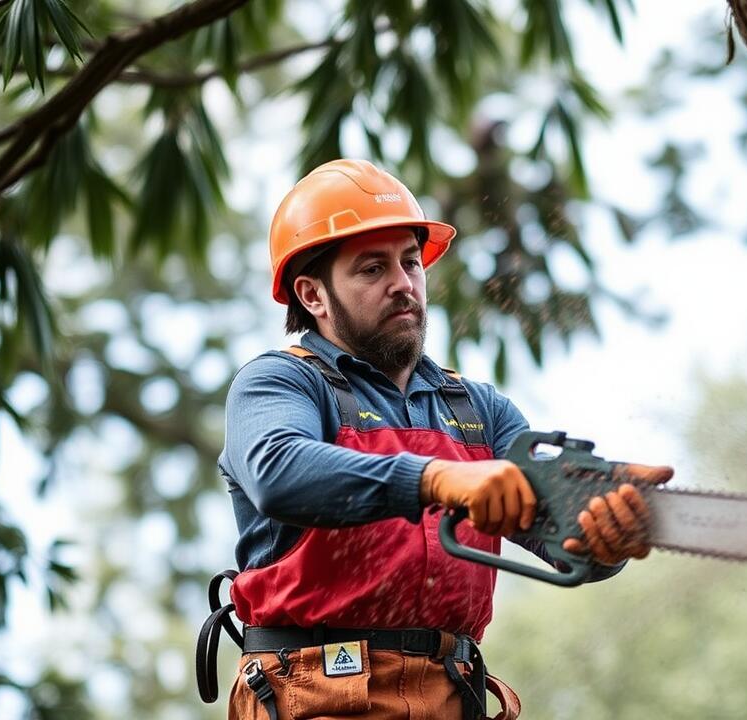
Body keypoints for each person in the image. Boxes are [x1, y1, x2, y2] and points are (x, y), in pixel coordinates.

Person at [197, 159, 673, 720]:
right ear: (314, 295)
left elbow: (555, 528)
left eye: (409, 262)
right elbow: (280, 472)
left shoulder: (478, 409)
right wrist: (438, 478)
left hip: (450, 693)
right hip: (315, 694)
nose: (403, 283)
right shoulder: (280, 383)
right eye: (372, 269)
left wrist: (599, 535)